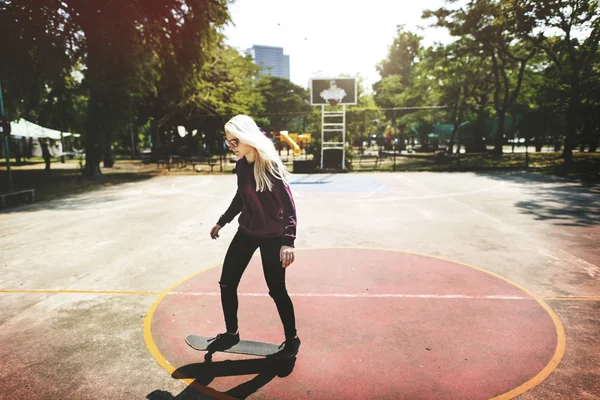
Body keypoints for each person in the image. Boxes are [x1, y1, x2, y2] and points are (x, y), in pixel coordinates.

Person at [209, 114, 301, 359]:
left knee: (276, 290)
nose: (231, 147)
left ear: (248, 138)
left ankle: (292, 339)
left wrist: (288, 241)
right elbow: (241, 197)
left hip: (273, 236)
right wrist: (222, 220)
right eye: (228, 142)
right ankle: (232, 333)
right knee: (227, 282)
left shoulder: (269, 166)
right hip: (246, 232)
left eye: (235, 141)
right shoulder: (241, 165)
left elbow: (289, 207)